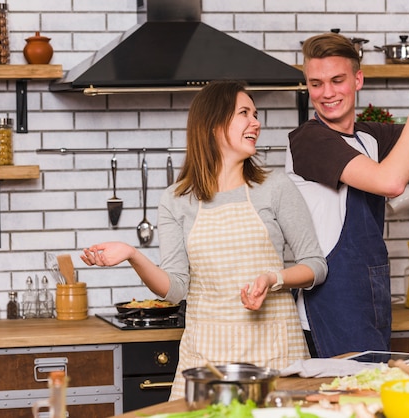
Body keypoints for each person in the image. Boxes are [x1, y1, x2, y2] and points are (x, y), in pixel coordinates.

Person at [81, 80, 327, 399]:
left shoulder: (276, 187)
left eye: (256, 113)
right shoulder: (176, 199)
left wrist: (273, 278)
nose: (256, 122)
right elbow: (176, 289)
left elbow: (316, 266)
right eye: (244, 113)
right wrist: (132, 255)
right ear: (213, 125)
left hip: (275, 352)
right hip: (207, 358)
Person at [286, 32, 409, 358]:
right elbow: (391, 182)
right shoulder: (309, 142)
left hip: (371, 292)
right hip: (332, 300)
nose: (326, 93)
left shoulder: (369, 136)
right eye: (316, 83)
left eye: (337, 80)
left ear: (358, 80)